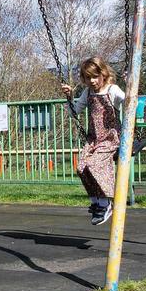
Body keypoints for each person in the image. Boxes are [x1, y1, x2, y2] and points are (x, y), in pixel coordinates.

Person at [61, 56, 126, 225]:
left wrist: (131, 87)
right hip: (93, 139)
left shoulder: (113, 90)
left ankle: (106, 203)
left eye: (95, 76)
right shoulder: (88, 92)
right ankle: (96, 202)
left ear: (103, 74)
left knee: (95, 164)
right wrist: (70, 96)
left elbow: (128, 102)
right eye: (88, 77)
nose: (92, 81)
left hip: (110, 137)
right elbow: (74, 112)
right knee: (81, 167)